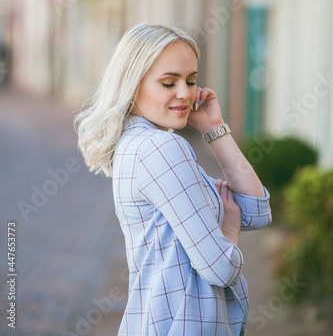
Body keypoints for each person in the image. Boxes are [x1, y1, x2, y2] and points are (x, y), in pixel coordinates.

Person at [75, 22, 272, 336]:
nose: (185, 93)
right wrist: (230, 230)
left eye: (191, 80)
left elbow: (257, 210)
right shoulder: (160, 148)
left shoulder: (140, 144)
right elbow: (221, 268)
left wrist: (214, 128)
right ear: (132, 83)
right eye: (169, 82)